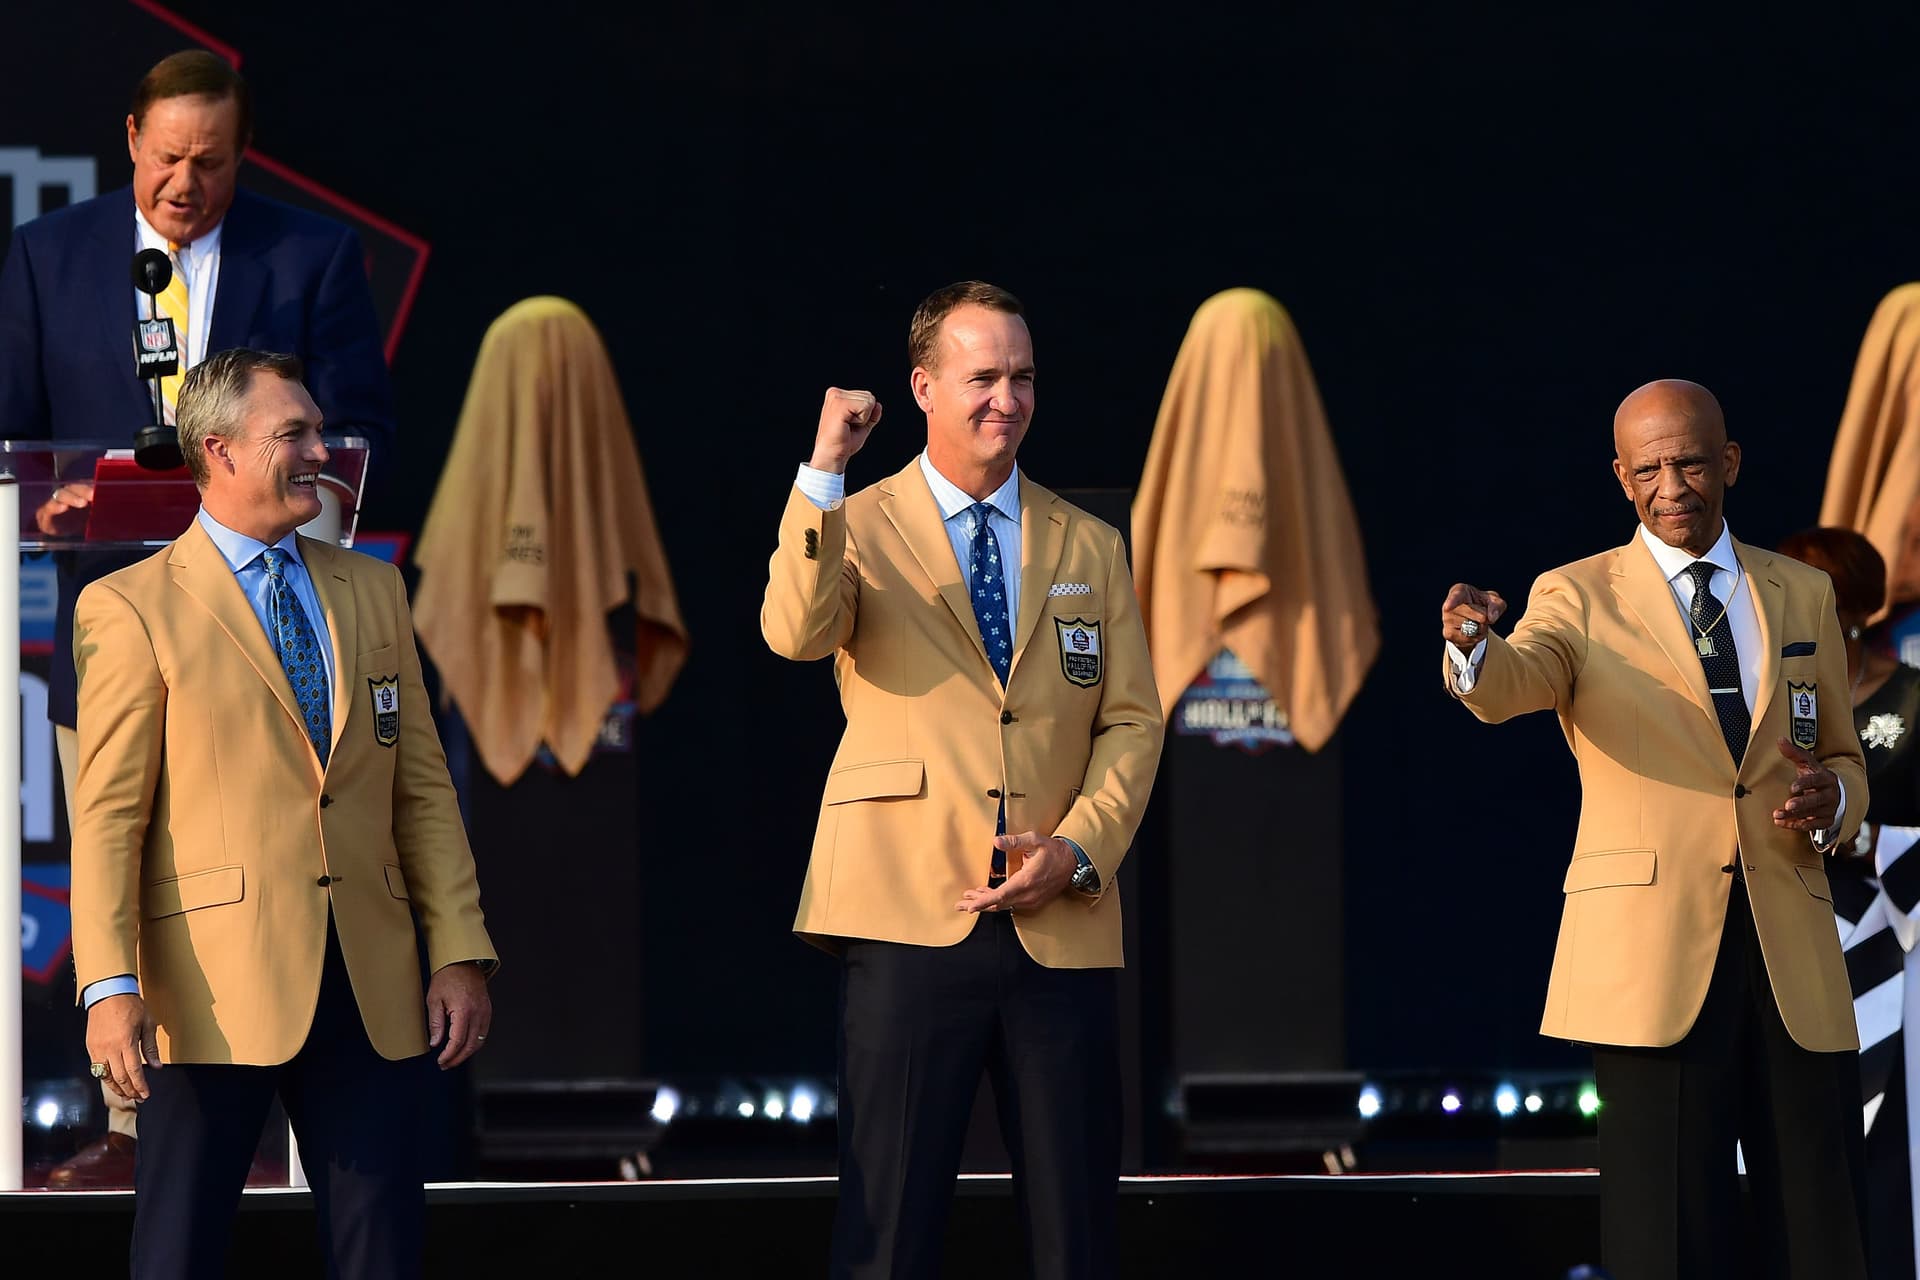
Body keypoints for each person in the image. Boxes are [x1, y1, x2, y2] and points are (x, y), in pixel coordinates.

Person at [0, 48, 396, 1186]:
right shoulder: (49, 256)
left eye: (211, 163)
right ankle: (135, 1135)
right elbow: (11, 438)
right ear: (130, 138)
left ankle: (286, 1131)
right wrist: (53, 494)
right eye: (167, 157)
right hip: (116, 629)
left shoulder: (309, 253)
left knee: (275, 865)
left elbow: (365, 430)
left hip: (279, 640)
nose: (185, 182)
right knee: (121, 859)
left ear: (243, 156)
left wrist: (301, 486)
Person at [762, 280, 1164, 1279]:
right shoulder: (856, 518)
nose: (1007, 397)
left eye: (1022, 376)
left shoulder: (1090, 543)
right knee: (888, 1231)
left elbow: (1131, 719)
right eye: (983, 375)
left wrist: (1077, 848)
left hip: (1058, 923)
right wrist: (822, 470)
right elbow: (794, 631)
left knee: (1078, 1234)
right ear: (924, 386)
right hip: (907, 914)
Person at [69, 349, 495, 1278]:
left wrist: (457, 948)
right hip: (207, 985)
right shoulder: (130, 606)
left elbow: (420, 786)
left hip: (371, 980)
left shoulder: (372, 587)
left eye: (319, 429)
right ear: (218, 450)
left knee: (381, 1250)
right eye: (293, 434)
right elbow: (106, 820)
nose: (322, 451)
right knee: (179, 1251)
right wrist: (108, 989)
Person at [1440, 379, 1871, 1280]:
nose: (1670, 485)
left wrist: (1836, 799)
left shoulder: (1802, 594)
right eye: (1648, 469)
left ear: (1730, 463)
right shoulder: (1576, 592)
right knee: (1665, 1230)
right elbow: (1517, 680)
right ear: (1620, 477)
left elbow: (1841, 752)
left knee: (1822, 1223)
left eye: (1688, 462)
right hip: (1651, 949)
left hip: (1788, 938)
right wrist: (1474, 650)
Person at [1778, 526, 1920, 1280]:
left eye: (1813, 591)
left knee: (1889, 1142)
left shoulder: (1913, 694)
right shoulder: (1781, 694)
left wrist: (1867, 840)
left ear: (1856, 608)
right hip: (1796, 932)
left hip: (1899, 945)